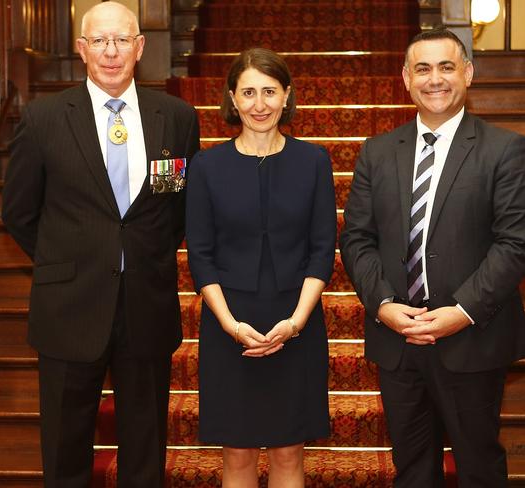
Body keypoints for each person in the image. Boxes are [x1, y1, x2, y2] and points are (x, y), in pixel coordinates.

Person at [1, 2, 199, 486]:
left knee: (145, 452)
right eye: (100, 41)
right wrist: (70, 261)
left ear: (140, 47)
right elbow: (20, 213)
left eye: (122, 40)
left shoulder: (176, 117)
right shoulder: (45, 117)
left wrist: (139, 257)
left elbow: (177, 211)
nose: (111, 52)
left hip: (146, 307)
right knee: (66, 450)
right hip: (67, 308)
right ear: (82, 48)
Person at [339, 28, 525, 487]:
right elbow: (356, 238)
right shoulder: (377, 152)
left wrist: (463, 311)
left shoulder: (503, 149)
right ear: (406, 79)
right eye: (424, 69)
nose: (436, 79)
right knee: (411, 470)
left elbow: (517, 242)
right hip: (398, 340)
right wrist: (384, 305)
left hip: (472, 337)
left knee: (479, 467)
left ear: (468, 74)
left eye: (447, 67)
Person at [185, 47, 336, 487]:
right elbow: (200, 254)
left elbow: (323, 249)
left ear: (287, 95)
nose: (259, 104)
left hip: (298, 320)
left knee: (290, 452)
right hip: (228, 324)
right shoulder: (206, 166)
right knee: (237, 454)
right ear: (232, 99)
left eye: (269, 91)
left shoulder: (314, 161)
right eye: (248, 92)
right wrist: (231, 325)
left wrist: (296, 322)